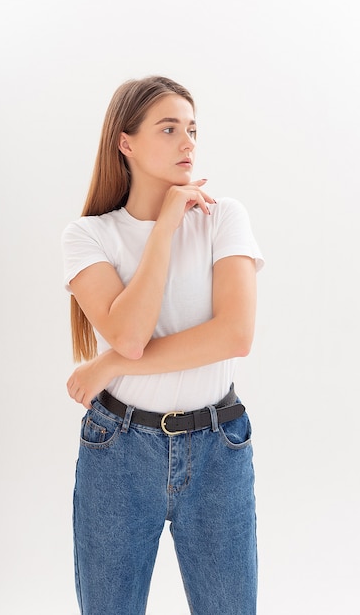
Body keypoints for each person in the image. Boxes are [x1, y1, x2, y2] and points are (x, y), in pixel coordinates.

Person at [61, 75, 264, 615]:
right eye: (169, 128)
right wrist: (166, 225)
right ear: (126, 143)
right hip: (118, 451)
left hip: (220, 447)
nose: (188, 142)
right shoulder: (89, 236)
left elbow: (235, 335)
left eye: (192, 129)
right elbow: (129, 333)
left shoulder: (224, 217)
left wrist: (107, 364)